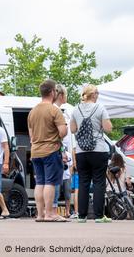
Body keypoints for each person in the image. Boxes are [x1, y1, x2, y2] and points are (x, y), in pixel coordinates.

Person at [70, 84, 113, 223]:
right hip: (98, 149)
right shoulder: (100, 108)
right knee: (99, 182)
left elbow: (72, 129)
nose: (98, 95)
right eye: (97, 93)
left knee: (83, 182)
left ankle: (81, 216)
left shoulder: (76, 109)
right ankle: (99, 216)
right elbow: (108, 128)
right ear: (93, 94)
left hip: (82, 151)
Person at [27, 79, 68, 222]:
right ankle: (50, 213)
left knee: (40, 183)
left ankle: (40, 214)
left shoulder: (32, 112)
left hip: (36, 151)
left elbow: (31, 136)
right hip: (50, 150)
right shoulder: (54, 110)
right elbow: (63, 132)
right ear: (52, 92)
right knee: (50, 182)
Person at [54, 84, 76, 218]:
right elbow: (61, 135)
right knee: (54, 183)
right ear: (61, 95)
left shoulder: (62, 112)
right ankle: (53, 211)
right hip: (58, 152)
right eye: (65, 94)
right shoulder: (57, 112)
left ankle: (57, 211)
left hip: (61, 153)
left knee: (63, 186)